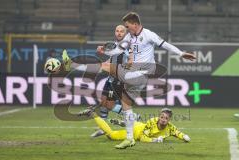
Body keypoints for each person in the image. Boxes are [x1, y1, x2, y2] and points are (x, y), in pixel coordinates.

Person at [61, 12, 195, 149]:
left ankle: (70, 64)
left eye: (127, 26)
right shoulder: (129, 37)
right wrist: (104, 51)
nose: (126, 29)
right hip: (135, 75)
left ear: (135, 24)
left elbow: (166, 45)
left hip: (143, 72)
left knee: (105, 66)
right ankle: (130, 139)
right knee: (126, 105)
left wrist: (181, 53)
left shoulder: (149, 34)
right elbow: (117, 51)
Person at [80, 108, 191, 144]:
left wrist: (184, 136)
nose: (163, 120)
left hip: (139, 125)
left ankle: (122, 123)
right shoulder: (152, 122)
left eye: (166, 118)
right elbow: (143, 138)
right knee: (112, 135)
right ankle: (92, 113)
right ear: (159, 116)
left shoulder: (170, 127)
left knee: (110, 136)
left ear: (169, 120)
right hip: (135, 132)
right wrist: (155, 140)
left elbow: (176, 132)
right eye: (162, 117)